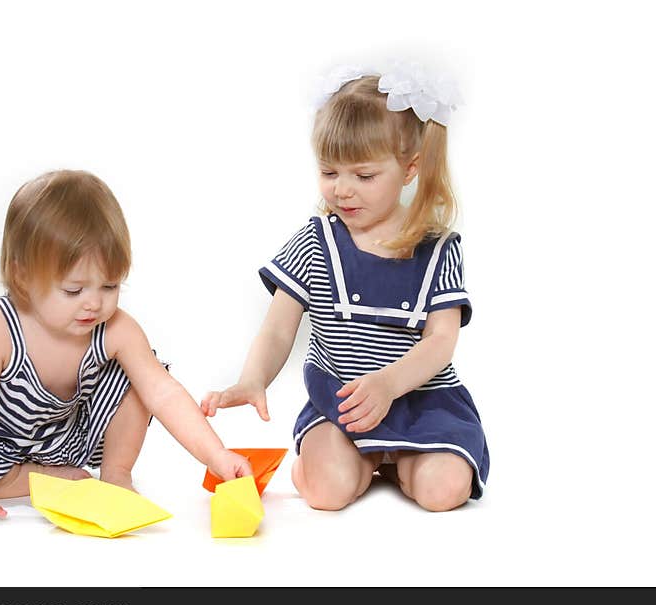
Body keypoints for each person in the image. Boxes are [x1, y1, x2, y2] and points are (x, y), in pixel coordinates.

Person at [202, 63, 489, 512]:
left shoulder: (438, 248)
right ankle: (348, 459)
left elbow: (440, 341)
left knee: (443, 491)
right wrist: (253, 379)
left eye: (364, 176)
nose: (343, 190)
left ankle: (401, 461)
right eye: (329, 172)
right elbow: (279, 329)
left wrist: (389, 385)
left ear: (409, 169)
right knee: (326, 492)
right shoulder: (316, 240)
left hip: (421, 401)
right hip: (342, 401)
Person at [0, 169, 251, 530]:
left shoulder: (116, 328)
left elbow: (164, 395)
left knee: (145, 377)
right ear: (22, 277)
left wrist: (217, 456)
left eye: (109, 285)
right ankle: (33, 477)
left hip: (66, 439)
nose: (94, 304)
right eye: (73, 291)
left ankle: (116, 474)